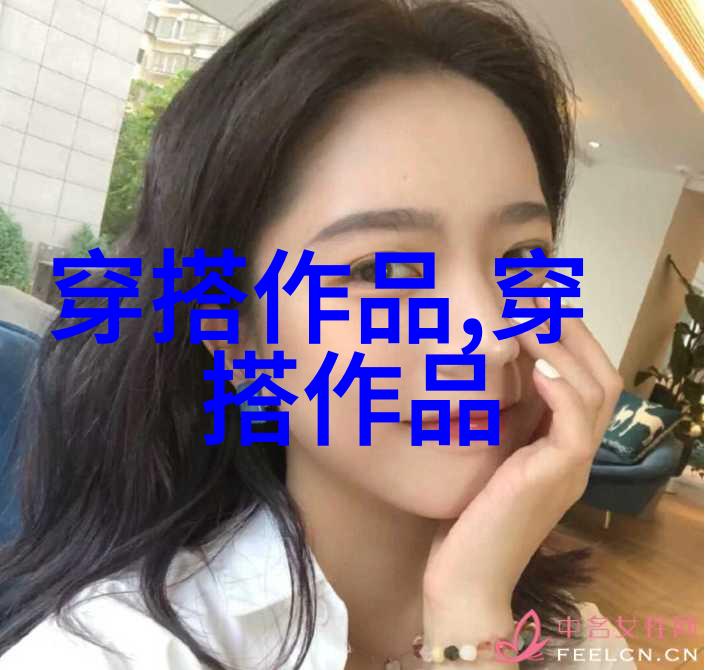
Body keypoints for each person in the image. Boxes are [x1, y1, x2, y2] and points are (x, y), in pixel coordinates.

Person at [0, 0, 636, 668]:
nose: (490, 337)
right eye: (382, 270)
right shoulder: (108, 651)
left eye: (522, 258)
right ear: (237, 337)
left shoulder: (584, 646)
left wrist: (472, 611)